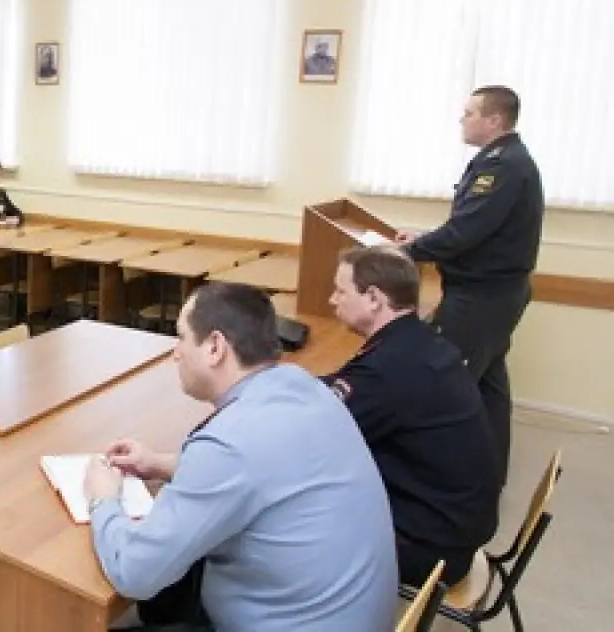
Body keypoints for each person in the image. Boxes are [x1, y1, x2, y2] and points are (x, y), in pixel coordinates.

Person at [82, 282, 397, 632]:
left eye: (181, 337)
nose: (175, 352)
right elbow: (262, 470)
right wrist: (160, 464)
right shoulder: (305, 388)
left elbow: (133, 572)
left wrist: (103, 500)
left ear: (215, 347)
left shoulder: (230, 443)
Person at [324, 247, 499, 586]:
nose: (333, 300)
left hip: (428, 552)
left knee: (285, 511)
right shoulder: (417, 342)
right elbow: (346, 386)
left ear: (374, 298)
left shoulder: (389, 368)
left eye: (341, 291)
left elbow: (314, 431)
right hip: (452, 528)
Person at [397, 85, 544, 486]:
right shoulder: (506, 160)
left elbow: (466, 231)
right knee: (489, 386)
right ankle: (488, 474)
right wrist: (421, 240)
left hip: (481, 296)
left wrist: (409, 251)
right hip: (497, 293)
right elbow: (471, 227)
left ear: (494, 120)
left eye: (469, 113)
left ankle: (440, 484)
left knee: (445, 388)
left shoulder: (502, 167)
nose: (462, 120)